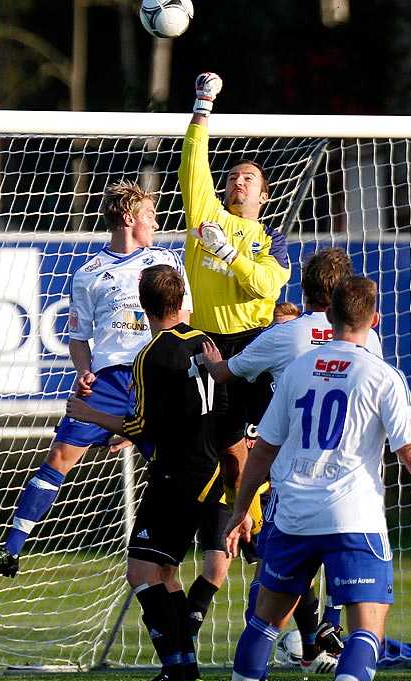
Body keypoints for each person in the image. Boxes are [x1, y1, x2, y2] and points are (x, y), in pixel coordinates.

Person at [223, 275, 411, 681]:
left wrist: (240, 510)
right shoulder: (382, 375)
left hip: (293, 513)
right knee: (366, 630)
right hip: (353, 516)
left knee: (265, 620)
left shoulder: (297, 370)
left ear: (329, 316)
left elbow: (262, 452)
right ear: (374, 319)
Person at [0, 180, 192, 578]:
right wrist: (84, 371)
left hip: (154, 376)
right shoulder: (89, 274)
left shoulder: (167, 261)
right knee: (59, 457)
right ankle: (11, 550)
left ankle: (215, 540)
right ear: (129, 219)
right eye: (149, 215)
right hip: (107, 383)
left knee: (177, 464)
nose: (156, 223)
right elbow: (78, 337)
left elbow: (183, 322)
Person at [204, 247, 379, 672]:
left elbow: (227, 373)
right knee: (362, 608)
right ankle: (328, 635)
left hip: (294, 484)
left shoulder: (287, 335)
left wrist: (211, 360)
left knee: (269, 590)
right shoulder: (369, 340)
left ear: (303, 287)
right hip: (349, 489)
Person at [66, 264, 220, 681]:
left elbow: (143, 426)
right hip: (207, 469)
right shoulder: (205, 342)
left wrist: (92, 415)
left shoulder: (151, 355)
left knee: (140, 571)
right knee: (166, 571)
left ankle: (172, 673)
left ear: (142, 300)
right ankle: (186, 671)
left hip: (178, 473)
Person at [178, 72, 291, 640]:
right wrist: (202, 109)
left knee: (253, 468)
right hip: (206, 351)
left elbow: (268, 290)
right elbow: (191, 169)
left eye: (249, 177)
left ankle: (302, 627)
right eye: (233, 176)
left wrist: (232, 255)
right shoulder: (209, 220)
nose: (238, 181)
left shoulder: (267, 244)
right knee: (214, 464)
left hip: (251, 354)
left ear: (263, 194)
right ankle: (207, 573)